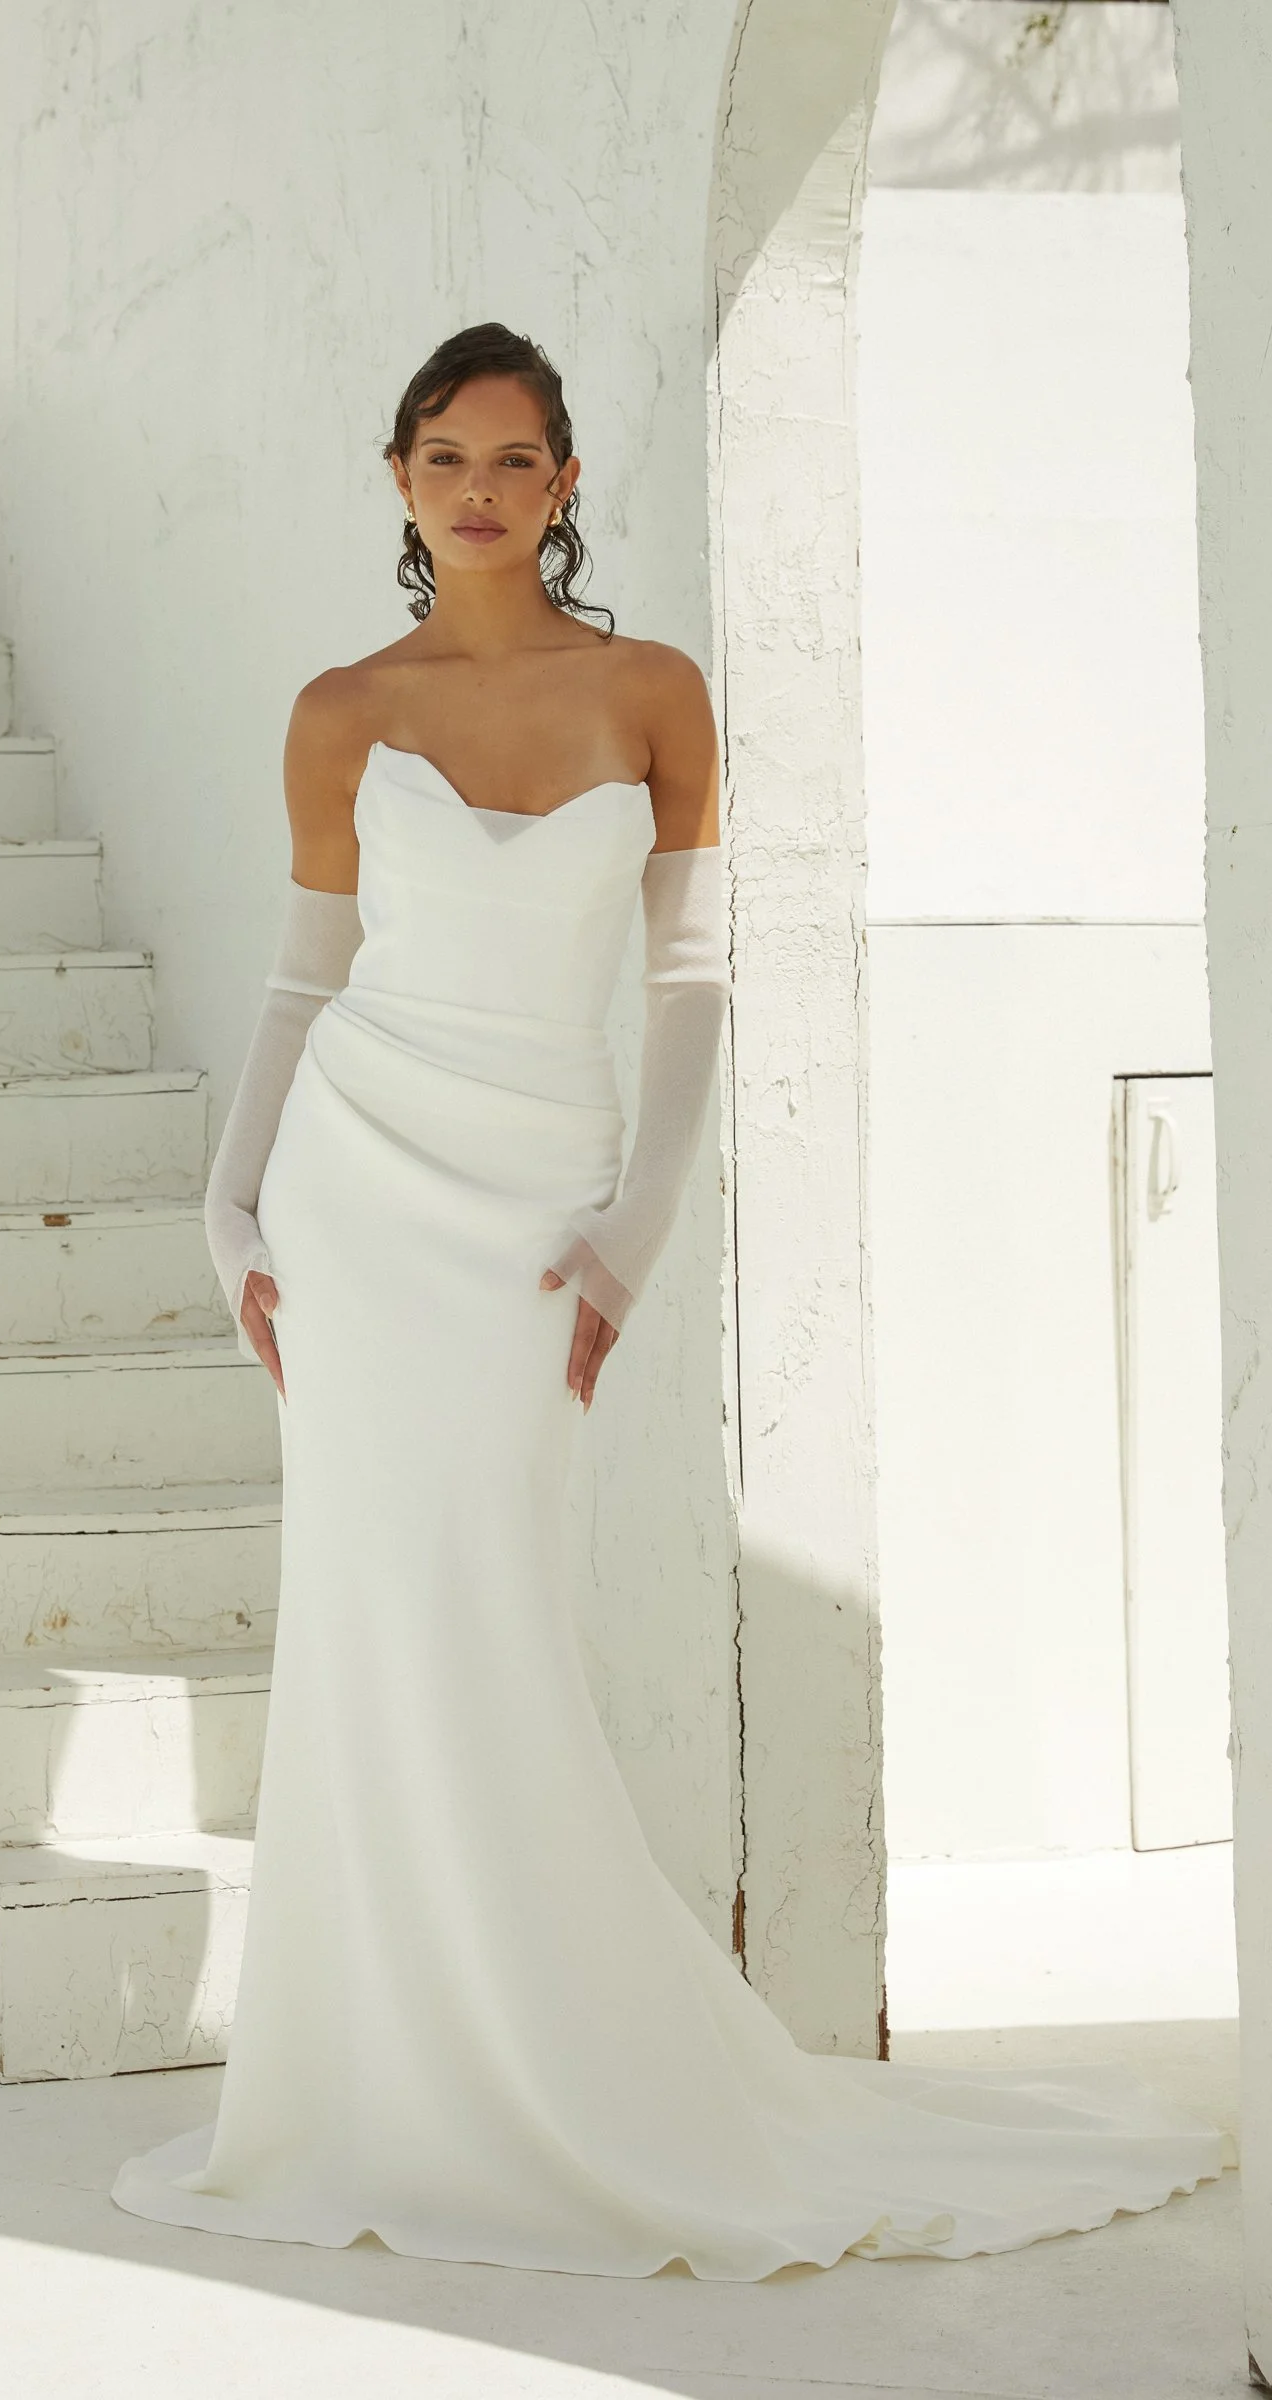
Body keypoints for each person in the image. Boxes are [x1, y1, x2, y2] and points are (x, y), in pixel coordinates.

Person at [113, 322, 1226, 2277]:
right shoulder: (335, 712)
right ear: (395, 481)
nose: (476, 490)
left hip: (536, 1205)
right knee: (376, 1622)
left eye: (514, 459)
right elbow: (300, 987)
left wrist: (635, 1221)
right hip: (354, 1203)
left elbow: (692, 982)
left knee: (496, 1614)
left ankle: (560, 2070)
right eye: (442, 458)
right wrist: (228, 1211)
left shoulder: (652, 693)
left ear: (561, 485)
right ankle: (385, 2079)